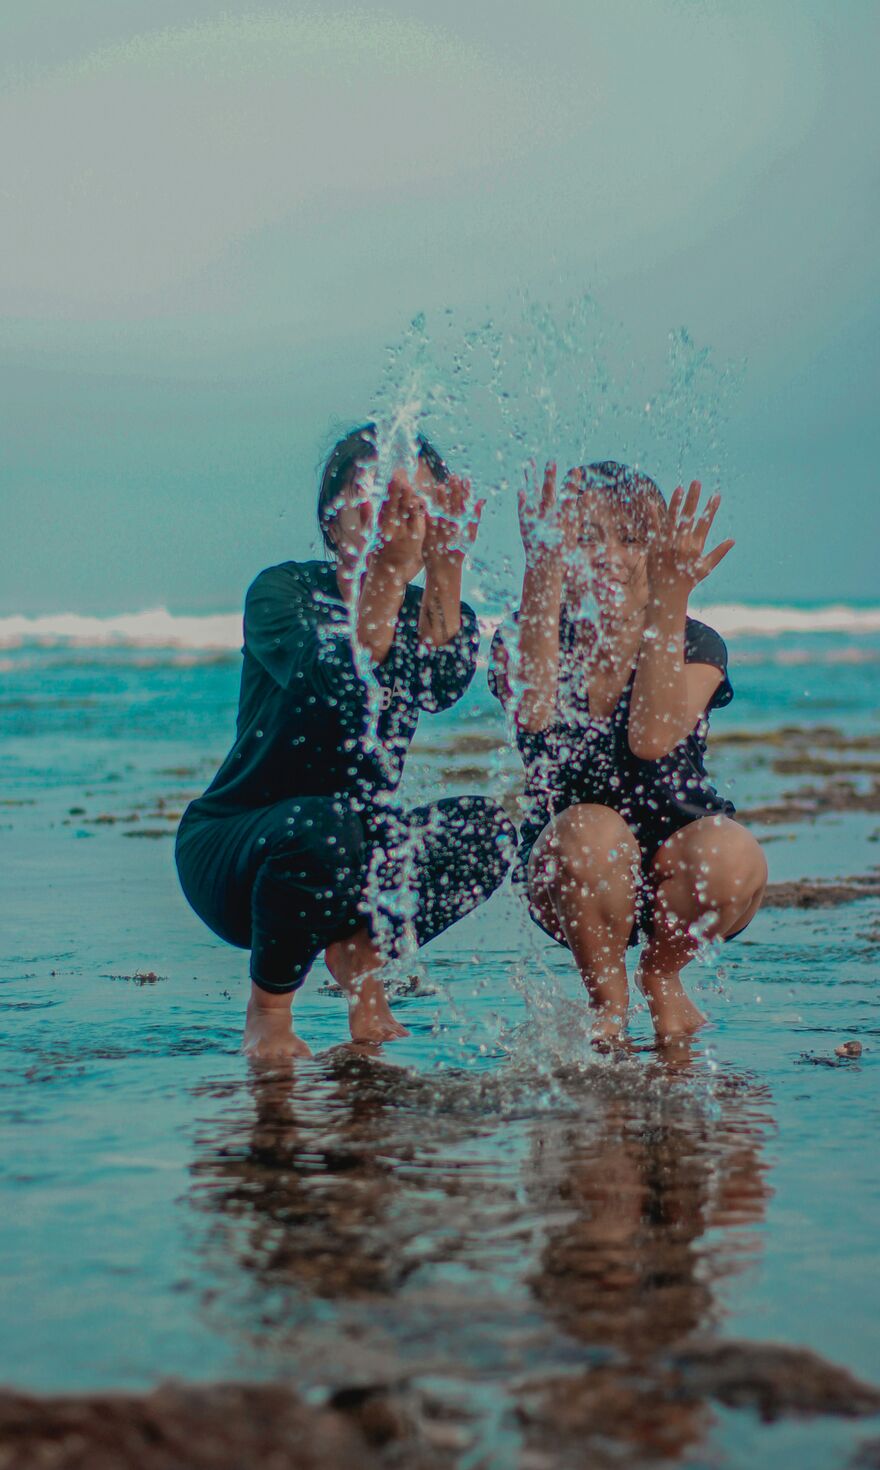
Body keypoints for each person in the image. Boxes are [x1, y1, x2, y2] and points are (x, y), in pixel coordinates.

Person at [176, 425, 515, 1060]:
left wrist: (445, 565)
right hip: (235, 850)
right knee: (326, 824)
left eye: (411, 495)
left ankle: (361, 952)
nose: (391, 506)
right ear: (331, 516)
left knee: (489, 830)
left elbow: (441, 682)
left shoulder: (436, 611)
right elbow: (337, 677)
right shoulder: (283, 592)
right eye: (371, 489)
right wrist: (386, 570)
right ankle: (269, 1013)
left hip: (348, 851)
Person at [489, 460, 767, 1044]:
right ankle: (606, 999)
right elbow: (535, 711)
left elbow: (651, 737)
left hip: (676, 854)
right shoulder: (528, 632)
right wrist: (540, 574)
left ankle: (662, 977)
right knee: (591, 830)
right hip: (570, 867)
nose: (609, 555)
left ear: (659, 548)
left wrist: (669, 599)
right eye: (585, 539)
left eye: (632, 539)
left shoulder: (695, 640)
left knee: (736, 855)